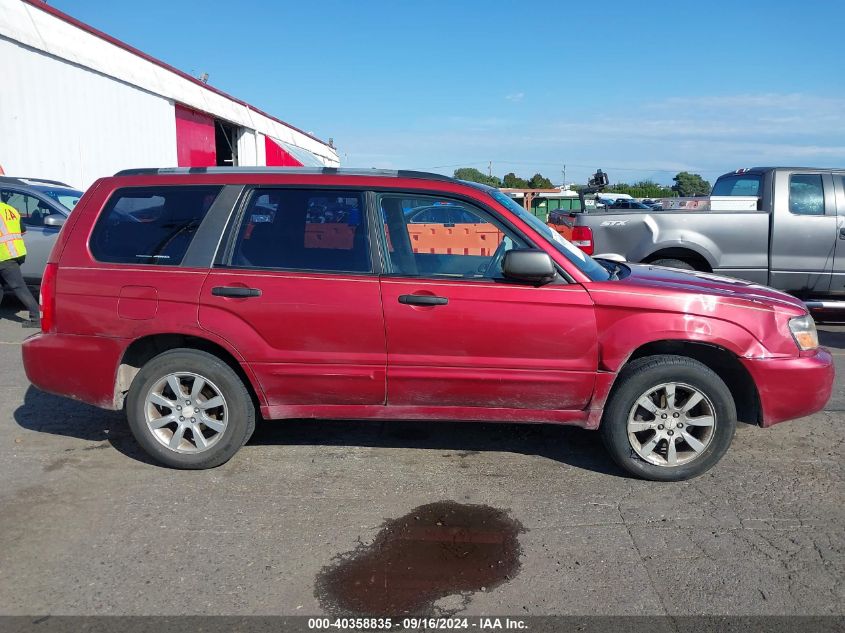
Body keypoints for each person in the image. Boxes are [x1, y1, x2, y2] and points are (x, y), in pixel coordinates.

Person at [0, 200, 40, 328]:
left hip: (4, 255)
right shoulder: (10, 209)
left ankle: (36, 318)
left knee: (18, 286)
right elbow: (22, 230)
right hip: (16, 252)